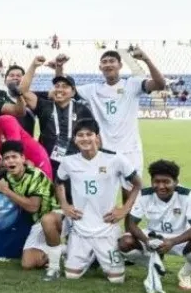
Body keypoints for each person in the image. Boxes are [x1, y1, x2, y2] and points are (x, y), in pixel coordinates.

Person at [55, 118, 142, 283]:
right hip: (80, 229)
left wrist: (124, 210)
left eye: (89, 134)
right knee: (71, 276)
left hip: (106, 229)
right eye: (80, 135)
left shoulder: (115, 159)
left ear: (97, 137)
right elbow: (58, 182)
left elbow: (138, 184)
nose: (85, 138)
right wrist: (64, 205)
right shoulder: (68, 161)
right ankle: (75, 251)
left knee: (117, 280)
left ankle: (97, 255)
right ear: (75, 139)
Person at [118, 160, 191, 291]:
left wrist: (172, 242)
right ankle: (155, 265)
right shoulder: (145, 194)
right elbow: (132, 224)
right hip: (153, 237)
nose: (161, 186)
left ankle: (185, 274)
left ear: (176, 182)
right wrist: (146, 240)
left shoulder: (187, 195)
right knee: (124, 243)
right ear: (151, 181)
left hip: (180, 238)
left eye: (166, 182)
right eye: (156, 181)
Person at [74, 49, 166, 179]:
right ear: (100, 67)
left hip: (130, 151)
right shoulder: (92, 89)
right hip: (104, 152)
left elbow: (160, 84)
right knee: (104, 190)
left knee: (132, 189)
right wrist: (59, 68)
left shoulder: (132, 84)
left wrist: (146, 60)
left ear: (120, 65)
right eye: (104, 62)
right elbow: (65, 91)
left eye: (112, 61)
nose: (108, 64)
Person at [0, 141, 64, 280]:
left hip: (57, 216)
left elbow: (33, 207)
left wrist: (6, 191)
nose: (10, 161)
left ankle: (61, 256)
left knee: (46, 220)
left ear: (23, 158)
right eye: (6, 158)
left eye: (14, 157)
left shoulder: (35, 175)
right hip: (39, 222)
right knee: (28, 263)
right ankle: (63, 250)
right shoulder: (8, 176)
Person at [17, 57, 93, 176]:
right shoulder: (44, 105)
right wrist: (33, 66)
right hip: (47, 162)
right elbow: (22, 91)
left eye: (65, 86)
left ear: (73, 92)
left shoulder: (82, 109)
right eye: (57, 86)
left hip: (76, 163)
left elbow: (93, 136)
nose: (59, 89)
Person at [0, 98, 53, 179]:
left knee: (44, 189)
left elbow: (14, 151)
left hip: (36, 160)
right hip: (13, 169)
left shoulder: (7, 121)